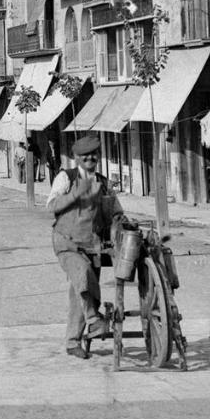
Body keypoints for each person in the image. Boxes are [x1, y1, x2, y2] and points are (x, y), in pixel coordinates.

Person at [46, 134, 125, 360]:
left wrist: (119, 221)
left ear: (98, 156)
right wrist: (76, 193)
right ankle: (94, 320)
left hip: (93, 245)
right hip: (66, 242)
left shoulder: (103, 182)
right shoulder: (65, 178)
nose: (90, 158)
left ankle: (73, 342)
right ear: (76, 158)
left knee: (80, 290)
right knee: (82, 273)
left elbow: (116, 213)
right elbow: (51, 206)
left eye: (93, 155)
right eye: (84, 156)